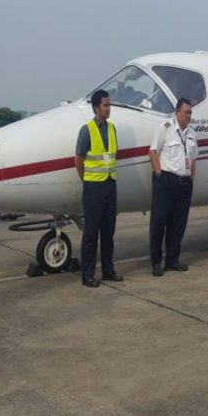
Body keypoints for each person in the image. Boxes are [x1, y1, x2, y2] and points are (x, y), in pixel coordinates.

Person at [74, 89, 122, 287]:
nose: (109, 108)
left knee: (108, 232)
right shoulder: (87, 130)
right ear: (96, 108)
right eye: (105, 105)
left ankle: (109, 271)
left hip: (110, 185)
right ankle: (87, 275)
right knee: (91, 234)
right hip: (93, 187)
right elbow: (78, 160)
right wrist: (87, 180)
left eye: (109, 105)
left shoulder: (111, 129)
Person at [148, 98, 198, 276]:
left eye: (190, 113)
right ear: (177, 112)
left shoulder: (192, 133)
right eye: (186, 113)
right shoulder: (166, 128)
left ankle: (172, 260)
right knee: (159, 222)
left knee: (178, 224)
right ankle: (156, 262)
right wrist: (159, 174)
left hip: (184, 183)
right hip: (166, 181)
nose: (189, 116)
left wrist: (190, 179)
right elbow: (153, 151)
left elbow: (193, 159)